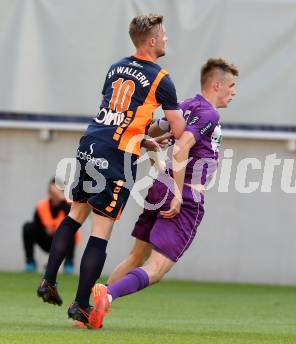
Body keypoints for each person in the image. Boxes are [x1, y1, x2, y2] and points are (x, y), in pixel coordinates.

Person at [36, 13, 186, 325]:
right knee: (101, 232)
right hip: (117, 156)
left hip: (91, 142)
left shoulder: (116, 66)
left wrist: (140, 137)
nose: (167, 39)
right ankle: (80, 303)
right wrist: (164, 134)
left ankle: (48, 280)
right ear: (153, 40)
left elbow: (117, 111)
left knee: (75, 214)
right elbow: (178, 125)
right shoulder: (161, 78)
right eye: (165, 35)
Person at [88, 58, 239, 330]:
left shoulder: (185, 106)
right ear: (216, 85)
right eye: (231, 85)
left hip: (161, 185)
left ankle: (92, 309)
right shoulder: (209, 114)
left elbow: (155, 128)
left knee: (136, 256)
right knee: (156, 269)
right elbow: (181, 150)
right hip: (185, 194)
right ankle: (107, 295)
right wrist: (179, 194)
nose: (233, 91)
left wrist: (156, 150)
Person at [23, 178, 78, 273]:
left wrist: (62, 199)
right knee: (28, 227)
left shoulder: (68, 206)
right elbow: (36, 224)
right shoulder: (42, 205)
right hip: (46, 240)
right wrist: (45, 230)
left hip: (62, 241)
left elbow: (73, 217)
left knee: (71, 232)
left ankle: (68, 264)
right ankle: (30, 262)